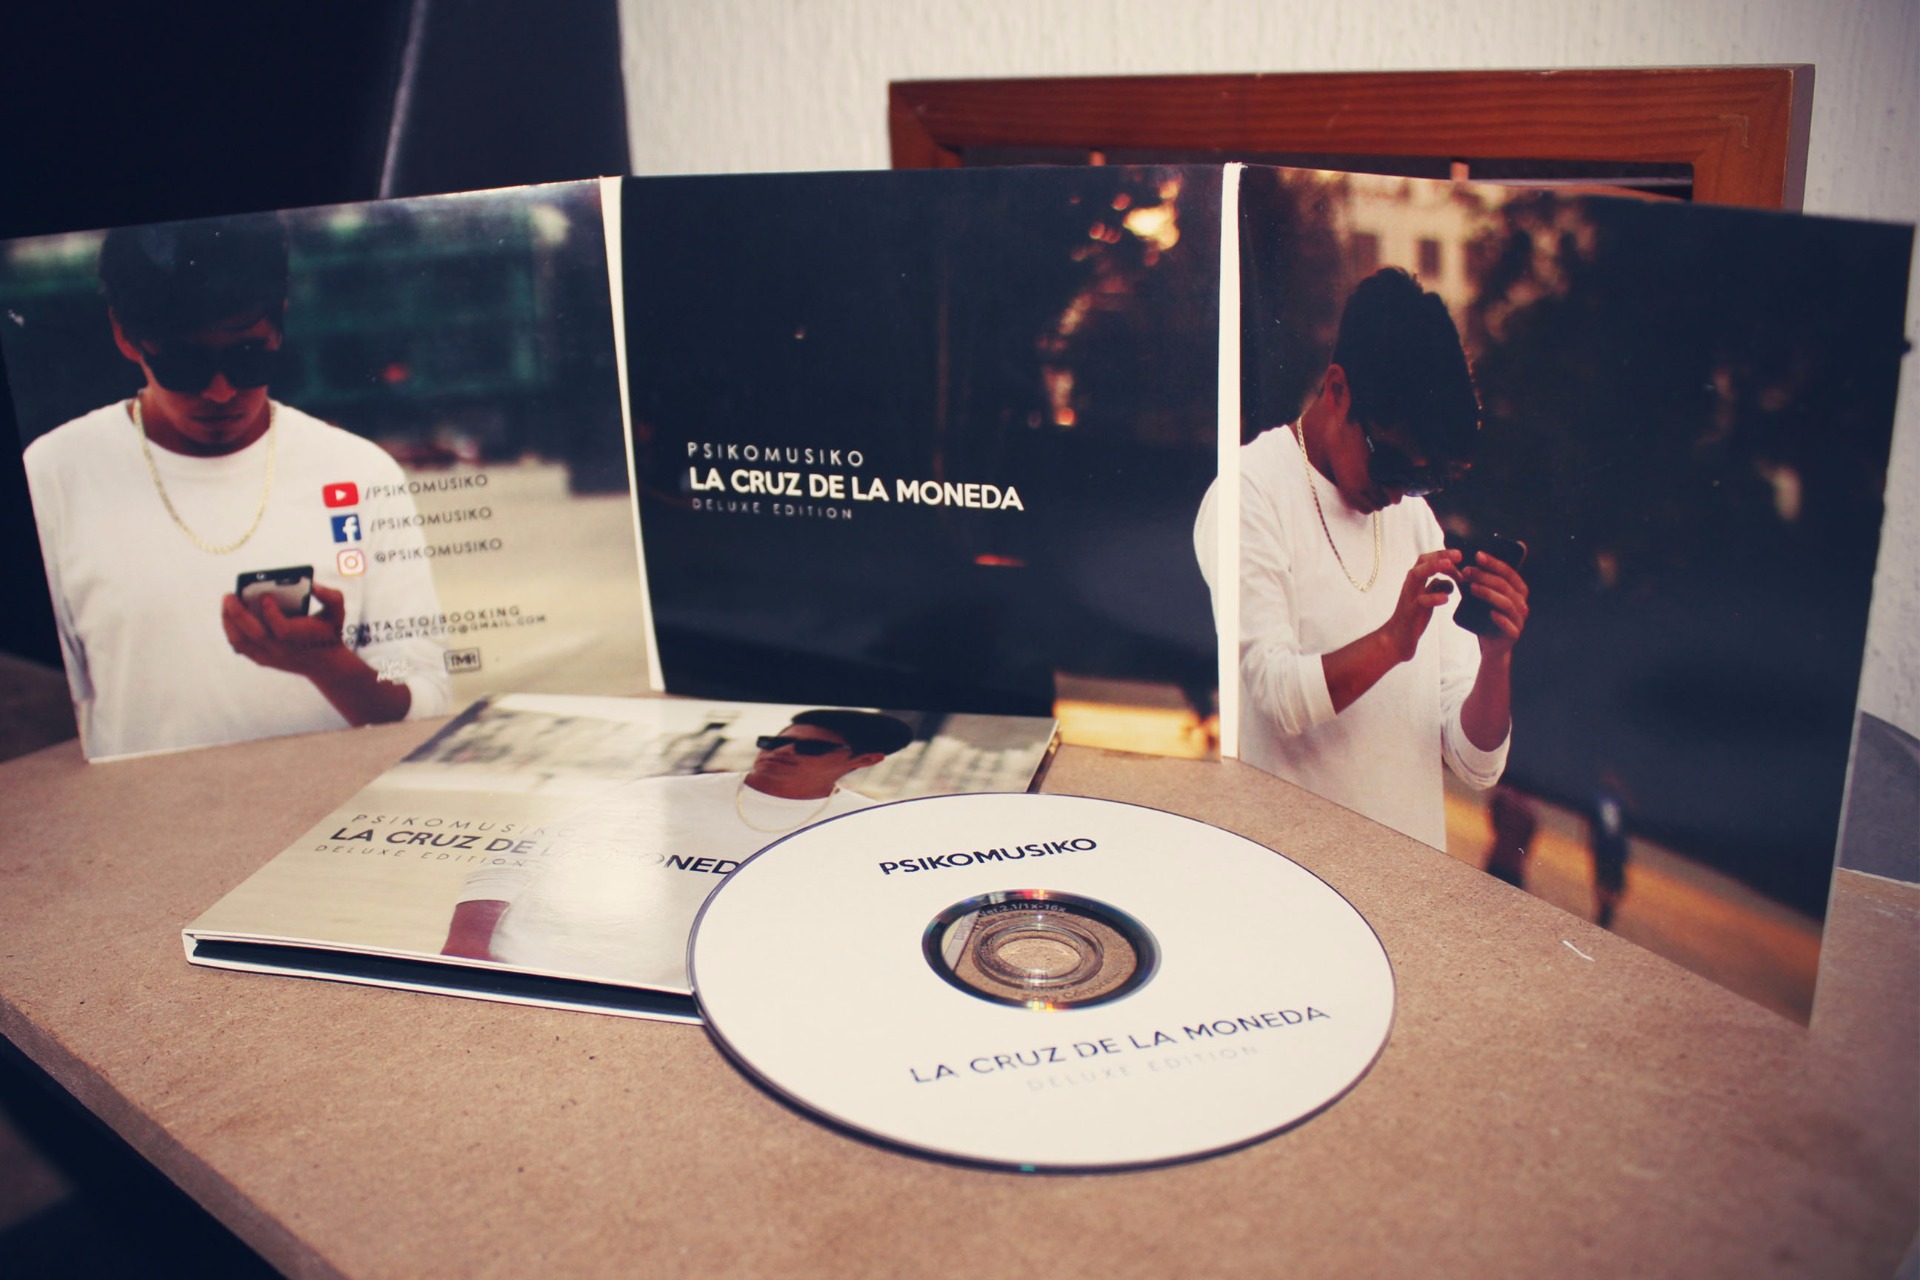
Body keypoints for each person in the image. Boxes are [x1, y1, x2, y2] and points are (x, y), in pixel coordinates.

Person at [21, 213, 450, 759]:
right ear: (125, 336)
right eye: (184, 364)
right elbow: (45, 716)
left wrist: (328, 666)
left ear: (281, 324)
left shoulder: (361, 472)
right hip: (143, 813)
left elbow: (427, 697)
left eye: (249, 358)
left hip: (331, 806)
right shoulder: (54, 475)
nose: (221, 391)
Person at [1195, 267, 1529, 848]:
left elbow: (1476, 763)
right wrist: (1392, 642)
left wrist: (1496, 658)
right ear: (1337, 389)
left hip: (1409, 889)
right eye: (1392, 464)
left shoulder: (1416, 522)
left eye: (1423, 480)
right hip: (1295, 879)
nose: (1399, 493)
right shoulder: (1249, 492)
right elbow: (1275, 694)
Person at [440, 709, 915, 988]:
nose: (781, 751)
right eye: (773, 740)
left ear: (865, 760)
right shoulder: (658, 794)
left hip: (679, 997)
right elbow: (515, 861)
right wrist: (467, 946)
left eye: (810, 748)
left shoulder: (864, 826)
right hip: (527, 966)